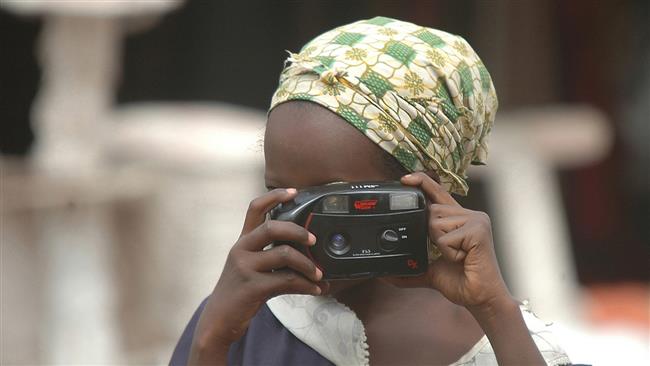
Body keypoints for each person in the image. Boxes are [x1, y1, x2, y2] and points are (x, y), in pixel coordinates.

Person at [170, 17, 572, 365]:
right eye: (282, 194)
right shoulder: (249, 321)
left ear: (426, 187)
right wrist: (212, 340)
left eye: (332, 199)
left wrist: (495, 310)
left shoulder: (504, 341)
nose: (302, 223)